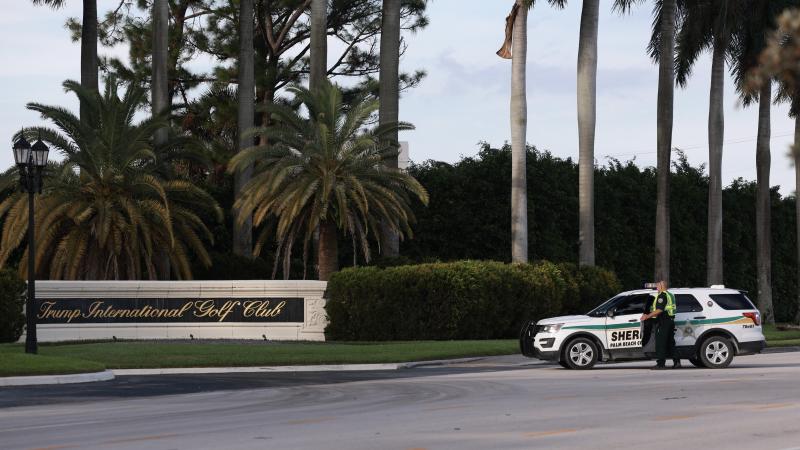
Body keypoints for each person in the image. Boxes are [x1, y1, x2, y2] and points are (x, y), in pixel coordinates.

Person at [640, 280, 680, 370]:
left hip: (663, 321)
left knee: (660, 343)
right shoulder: (670, 295)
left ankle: (661, 364)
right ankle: (677, 362)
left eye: (658, 286)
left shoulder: (662, 296)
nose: (657, 287)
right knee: (670, 343)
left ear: (662, 287)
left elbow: (659, 310)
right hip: (670, 321)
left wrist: (647, 316)